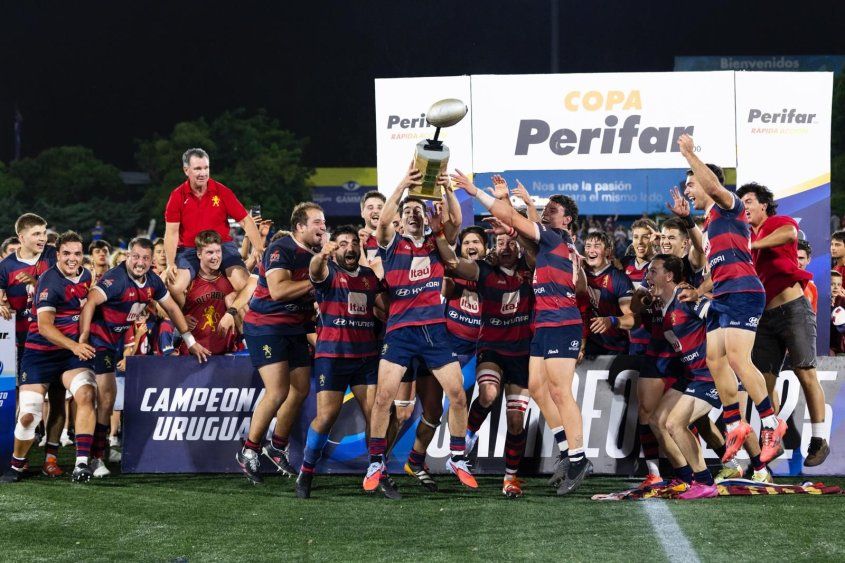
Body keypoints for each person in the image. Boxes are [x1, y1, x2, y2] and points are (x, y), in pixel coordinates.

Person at [453, 169, 591, 495]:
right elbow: (524, 235)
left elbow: (510, 217)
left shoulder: (557, 238)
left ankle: (579, 457)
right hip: (544, 325)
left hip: (561, 323)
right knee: (538, 390)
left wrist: (478, 193)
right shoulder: (550, 244)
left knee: (559, 392)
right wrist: (518, 215)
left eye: (552, 210)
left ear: (567, 219)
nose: (545, 213)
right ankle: (565, 447)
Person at [672, 133, 784, 464]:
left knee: (737, 359)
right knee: (715, 359)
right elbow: (714, 268)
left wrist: (691, 157)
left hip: (744, 292)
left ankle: (771, 423)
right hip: (723, 294)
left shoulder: (730, 206)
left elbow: (717, 188)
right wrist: (700, 290)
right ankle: (735, 423)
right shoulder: (710, 223)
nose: (689, 189)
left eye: (692, 184)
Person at [363, 166, 475, 496]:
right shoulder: (391, 242)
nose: (413, 214)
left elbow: (454, 221)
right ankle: (375, 462)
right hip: (400, 331)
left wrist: (448, 191)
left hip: (434, 332)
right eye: (408, 211)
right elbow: (383, 221)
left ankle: (457, 456)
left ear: (426, 217)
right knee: (384, 399)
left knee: (457, 395)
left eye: (418, 210)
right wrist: (403, 185)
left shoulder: (434, 243)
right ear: (401, 219)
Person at [79, 237, 210, 477]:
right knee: (107, 396)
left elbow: (171, 308)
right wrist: (84, 337)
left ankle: (106, 449)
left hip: (124, 339)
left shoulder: (152, 280)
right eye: (136, 257)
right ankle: (96, 457)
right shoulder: (115, 279)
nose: (140, 262)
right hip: (103, 340)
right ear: (128, 256)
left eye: (145, 258)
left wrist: (191, 342)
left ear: (151, 261)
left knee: (112, 398)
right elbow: (89, 304)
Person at [738, 182, 828, 466]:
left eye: (749, 201)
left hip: (793, 309)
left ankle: (819, 439)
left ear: (763, 204)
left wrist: (754, 243)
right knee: (763, 382)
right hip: (764, 317)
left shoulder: (778, 223)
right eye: (742, 203)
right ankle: (771, 438)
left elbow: (790, 234)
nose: (745, 207)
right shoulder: (744, 237)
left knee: (805, 372)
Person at [439, 231, 534, 497]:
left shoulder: (530, 268)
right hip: (491, 347)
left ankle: (510, 478)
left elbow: (539, 241)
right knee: (488, 394)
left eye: (511, 243)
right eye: (500, 243)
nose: (506, 247)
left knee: (516, 420)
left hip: (521, 352)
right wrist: (438, 234)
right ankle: (466, 437)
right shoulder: (483, 270)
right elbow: (454, 264)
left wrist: (520, 229)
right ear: (493, 247)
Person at [236, 203, 325, 484]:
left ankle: (276, 446)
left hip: (294, 326)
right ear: (300, 227)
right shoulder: (282, 248)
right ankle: (248, 451)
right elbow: (277, 291)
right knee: (277, 391)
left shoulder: (317, 253)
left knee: (299, 390)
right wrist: (314, 281)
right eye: (317, 223)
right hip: (266, 327)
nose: (323, 227)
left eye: (324, 222)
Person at [1, 231, 99, 483]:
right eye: (66, 253)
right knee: (30, 413)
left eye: (77, 253)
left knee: (86, 393)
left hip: (69, 356)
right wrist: (75, 345)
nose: (72, 258)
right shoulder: (49, 282)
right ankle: (17, 464)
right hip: (39, 353)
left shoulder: (87, 276)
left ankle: (79, 464)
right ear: (57, 255)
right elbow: (45, 327)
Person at [294, 225, 385, 498]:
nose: (349, 248)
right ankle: (307, 471)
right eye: (342, 243)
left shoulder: (369, 277)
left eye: (353, 243)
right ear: (335, 249)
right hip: (332, 356)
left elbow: (388, 308)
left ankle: (377, 471)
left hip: (365, 356)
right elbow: (314, 270)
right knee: (326, 417)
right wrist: (322, 255)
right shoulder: (328, 273)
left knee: (375, 415)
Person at [0, 213, 65, 477]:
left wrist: (38, 284)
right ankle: (22, 454)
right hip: (23, 343)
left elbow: (67, 287)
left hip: (56, 337)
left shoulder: (52, 256)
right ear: (22, 237)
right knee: (25, 402)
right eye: (37, 233)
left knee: (59, 398)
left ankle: (51, 457)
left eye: (44, 232)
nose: (43, 238)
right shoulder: (6, 266)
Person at [163, 148, 264, 299]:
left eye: (206, 168)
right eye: (197, 168)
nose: (203, 173)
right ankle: (188, 317)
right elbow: (171, 233)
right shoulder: (177, 196)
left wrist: (258, 247)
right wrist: (170, 263)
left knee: (242, 284)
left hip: (222, 246)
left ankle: (232, 308)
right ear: (186, 170)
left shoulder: (222, 191)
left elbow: (246, 220)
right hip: (191, 249)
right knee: (175, 287)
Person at [173, 230, 253, 355]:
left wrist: (253, 236)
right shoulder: (187, 280)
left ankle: (249, 343)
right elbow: (163, 307)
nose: (215, 257)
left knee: (235, 296)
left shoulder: (230, 278)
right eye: (210, 252)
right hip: (194, 354)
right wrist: (180, 319)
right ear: (199, 254)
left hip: (226, 354)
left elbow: (250, 281)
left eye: (218, 251)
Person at [579, 231, 635, 356]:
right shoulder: (578, 275)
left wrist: (612, 321)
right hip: (585, 347)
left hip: (614, 349)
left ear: (608, 251)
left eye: (597, 246)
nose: (591, 250)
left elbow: (633, 319)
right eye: (588, 246)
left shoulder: (619, 279)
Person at [797, 240, 818, 313]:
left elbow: (813, 318)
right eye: (794, 258)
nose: (797, 262)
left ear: (808, 260)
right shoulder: (780, 284)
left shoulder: (812, 287)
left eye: (801, 258)